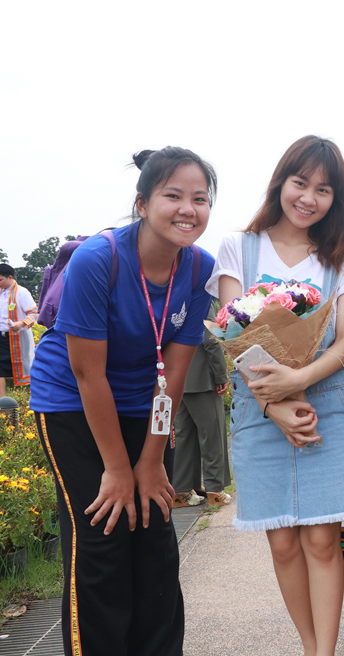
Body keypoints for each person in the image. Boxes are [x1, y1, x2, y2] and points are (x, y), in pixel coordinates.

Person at [29, 146, 218, 656]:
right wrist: (117, 468)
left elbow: (173, 375)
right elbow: (87, 373)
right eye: (173, 196)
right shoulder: (99, 259)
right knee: (103, 536)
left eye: (200, 199)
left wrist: (151, 462)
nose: (188, 209)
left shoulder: (198, 268)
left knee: (155, 534)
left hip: (144, 403)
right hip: (72, 402)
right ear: (142, 204)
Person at [208, 135, 344, 656]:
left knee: (323, 540)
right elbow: (235, 334)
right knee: (282, 543)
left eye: (324, 190)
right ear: (280, 182)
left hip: (328, 405)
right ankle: (309, 646)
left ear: (336, 199)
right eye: (300, 183)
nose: (309, 198)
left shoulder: (342, 255)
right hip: (260, 408)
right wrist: (274, 402)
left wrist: (298, 382)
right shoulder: (239, 247)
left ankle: (324, 652)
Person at [172, 325, 231, 507]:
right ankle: (215, 491)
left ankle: (181, 491)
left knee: (184, 436)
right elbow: (210, 339)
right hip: (202, 377)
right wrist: (221, 374)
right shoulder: (202, 304)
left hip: (177, 375)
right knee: (213, 435)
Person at [0, 263, 38, 396]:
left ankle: (30, 398)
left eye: (0, 280)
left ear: (10, 277)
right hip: (1, 337)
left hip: (17, 338)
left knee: (26, 369)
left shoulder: (22, 292)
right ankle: (2, 402)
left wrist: (21, 323)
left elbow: (34, 314)